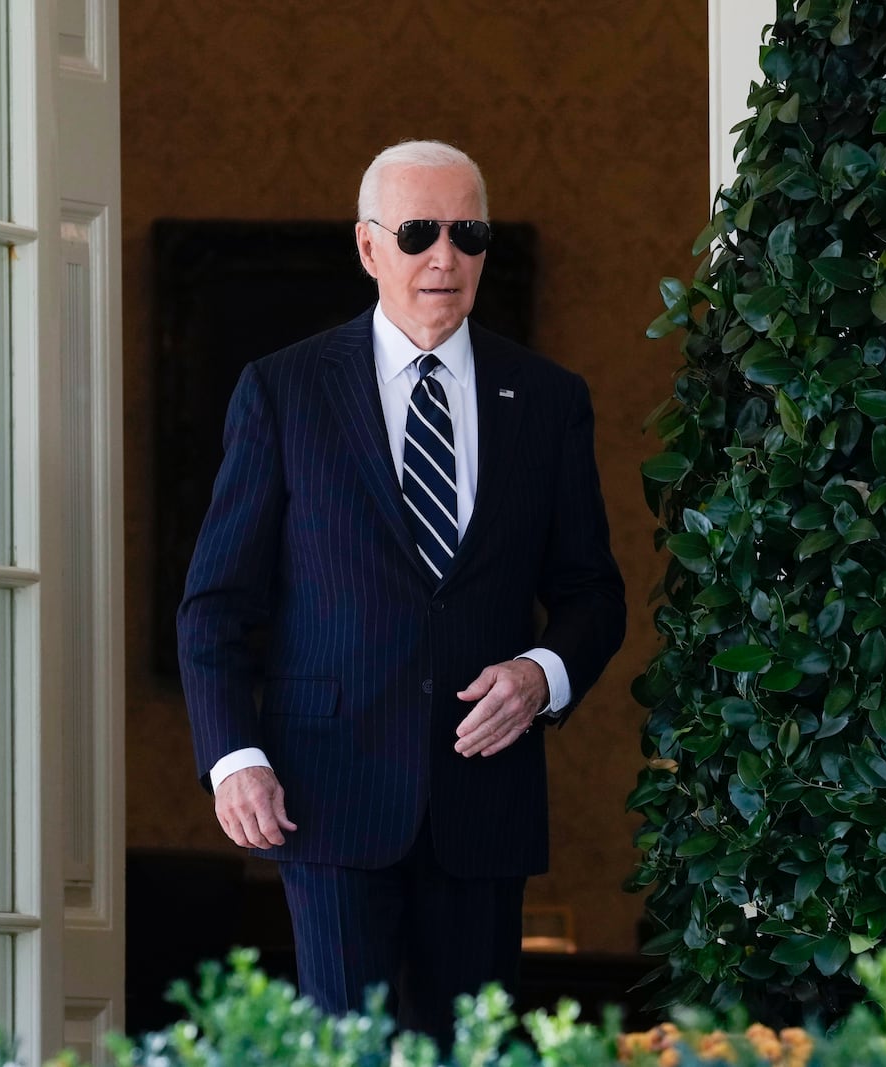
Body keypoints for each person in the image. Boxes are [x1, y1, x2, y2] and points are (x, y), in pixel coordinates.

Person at [177, 139, 626, 1041]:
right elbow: (216, 605)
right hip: (328, 794)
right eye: (418, 232)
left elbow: (593, 593)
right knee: (351, 1050)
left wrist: (542, 673)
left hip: (483, 798)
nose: (444, 257)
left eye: (469, 233)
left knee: (473, 1054)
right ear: (368, 247)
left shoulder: (546, 399)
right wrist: (234, 757)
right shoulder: (283, 391)